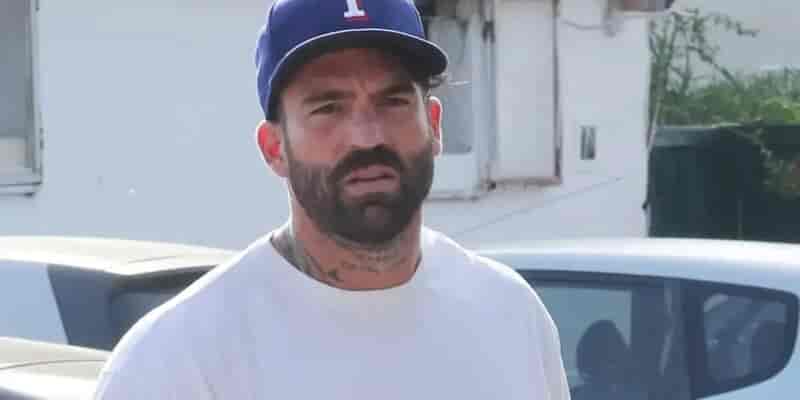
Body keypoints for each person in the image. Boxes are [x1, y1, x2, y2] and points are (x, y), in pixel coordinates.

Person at [92, 0, 571, 399]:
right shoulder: (178, 362)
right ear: (274, 148)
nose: (367, 136)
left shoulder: (510, 316)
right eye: (328, 108)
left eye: (393, 101)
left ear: (434, 125)